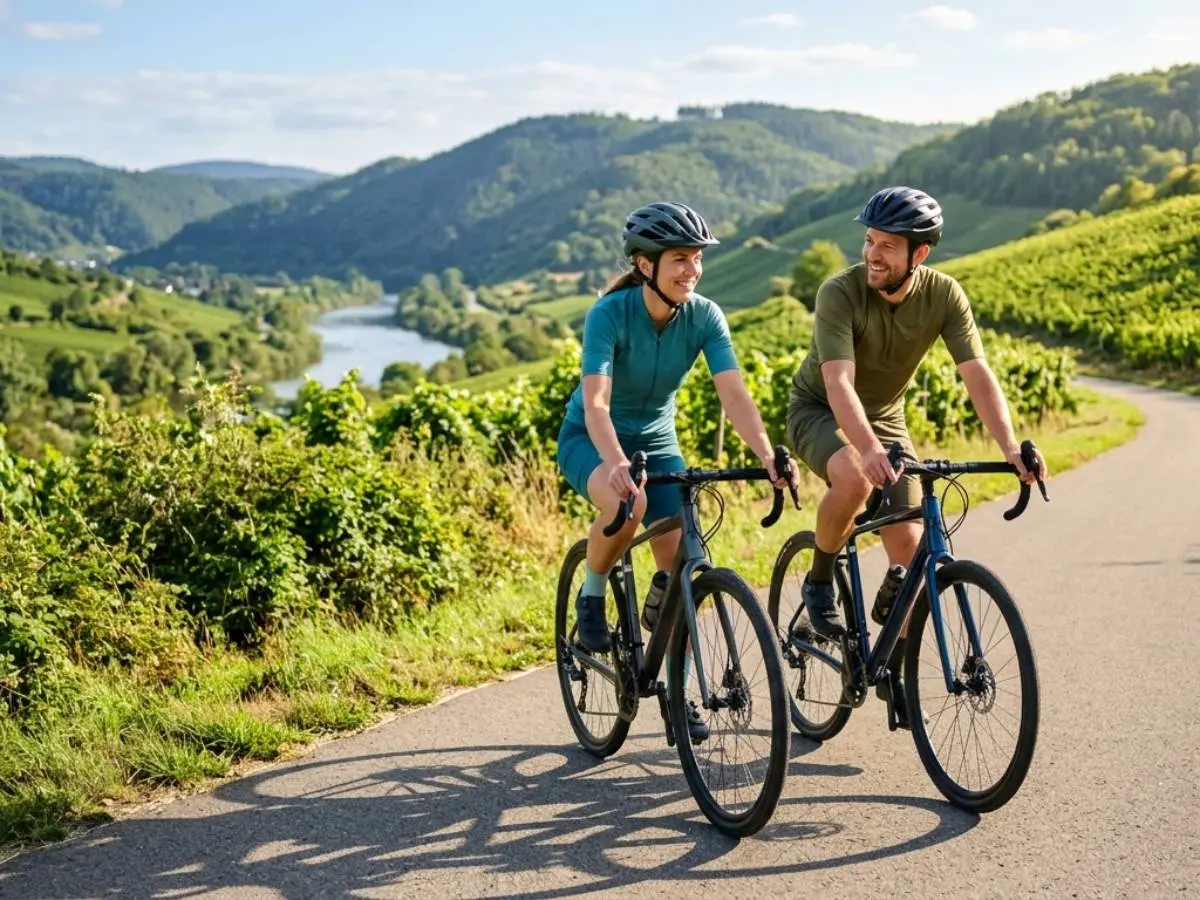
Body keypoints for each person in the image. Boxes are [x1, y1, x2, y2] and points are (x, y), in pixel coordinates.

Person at [784, 185, 1047, 725]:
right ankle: (818, 580)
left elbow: (977, 375)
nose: (872, 254)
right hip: (818, 410)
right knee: (856, 480)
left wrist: (1010, 447)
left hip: (884, 418)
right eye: (869, 240)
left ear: (918, 254)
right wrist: (870, 449)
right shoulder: (840, 292)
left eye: (886, 245)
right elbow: (837, 384)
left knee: (907, 555)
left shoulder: (944, 296)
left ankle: (894, 669)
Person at [557, 201, 800, 738]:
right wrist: (618, 462)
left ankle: (677, 691)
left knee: (686, 568)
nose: (692, 270)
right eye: (680, 260)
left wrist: (766, 453)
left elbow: (732, 394)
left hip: (658, 442)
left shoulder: (705, 316)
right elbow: (596, 404)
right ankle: (592, 591)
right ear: (646, 266)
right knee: (630, 502)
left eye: (697, 259)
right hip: (591, 440)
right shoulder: (609, 315)